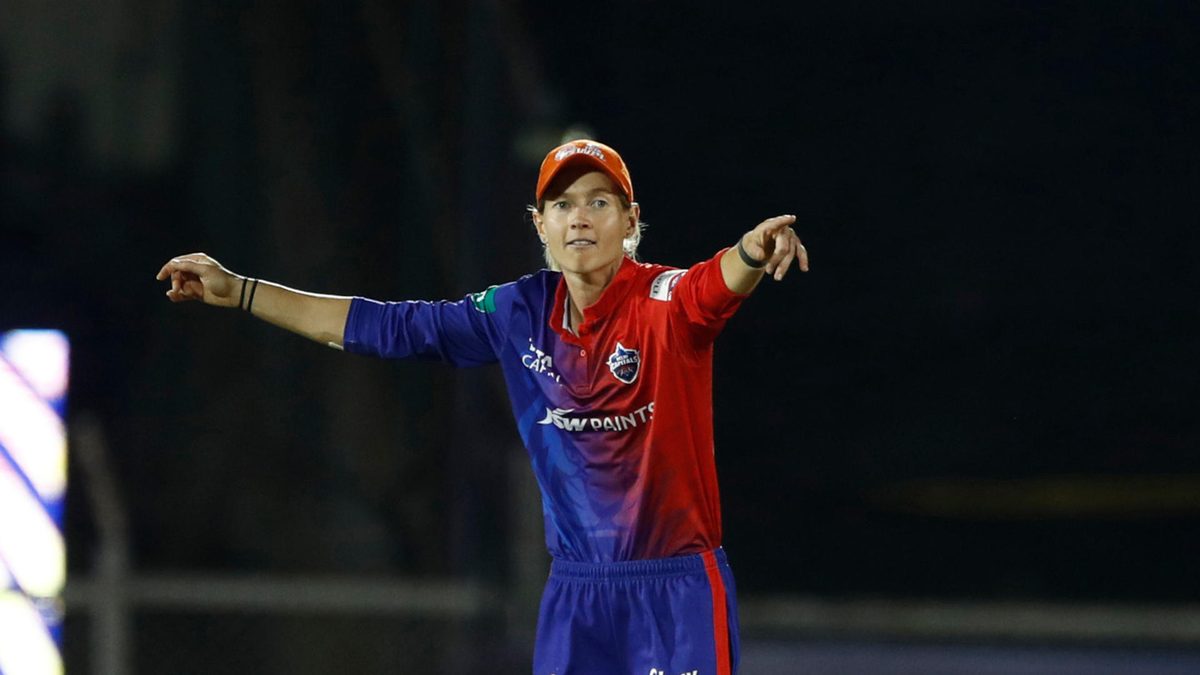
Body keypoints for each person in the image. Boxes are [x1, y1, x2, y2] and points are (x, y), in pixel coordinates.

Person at [156, 139, 808, 675]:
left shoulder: (662, 302)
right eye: (562, 204)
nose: (580, 217)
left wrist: (753, 250)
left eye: (599, 202)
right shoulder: (515, 312)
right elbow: (388, 327)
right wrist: (241, 291)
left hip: (674, 589)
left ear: (631, 222)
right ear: (540, 225)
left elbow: (714, 284)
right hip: (577, 596)